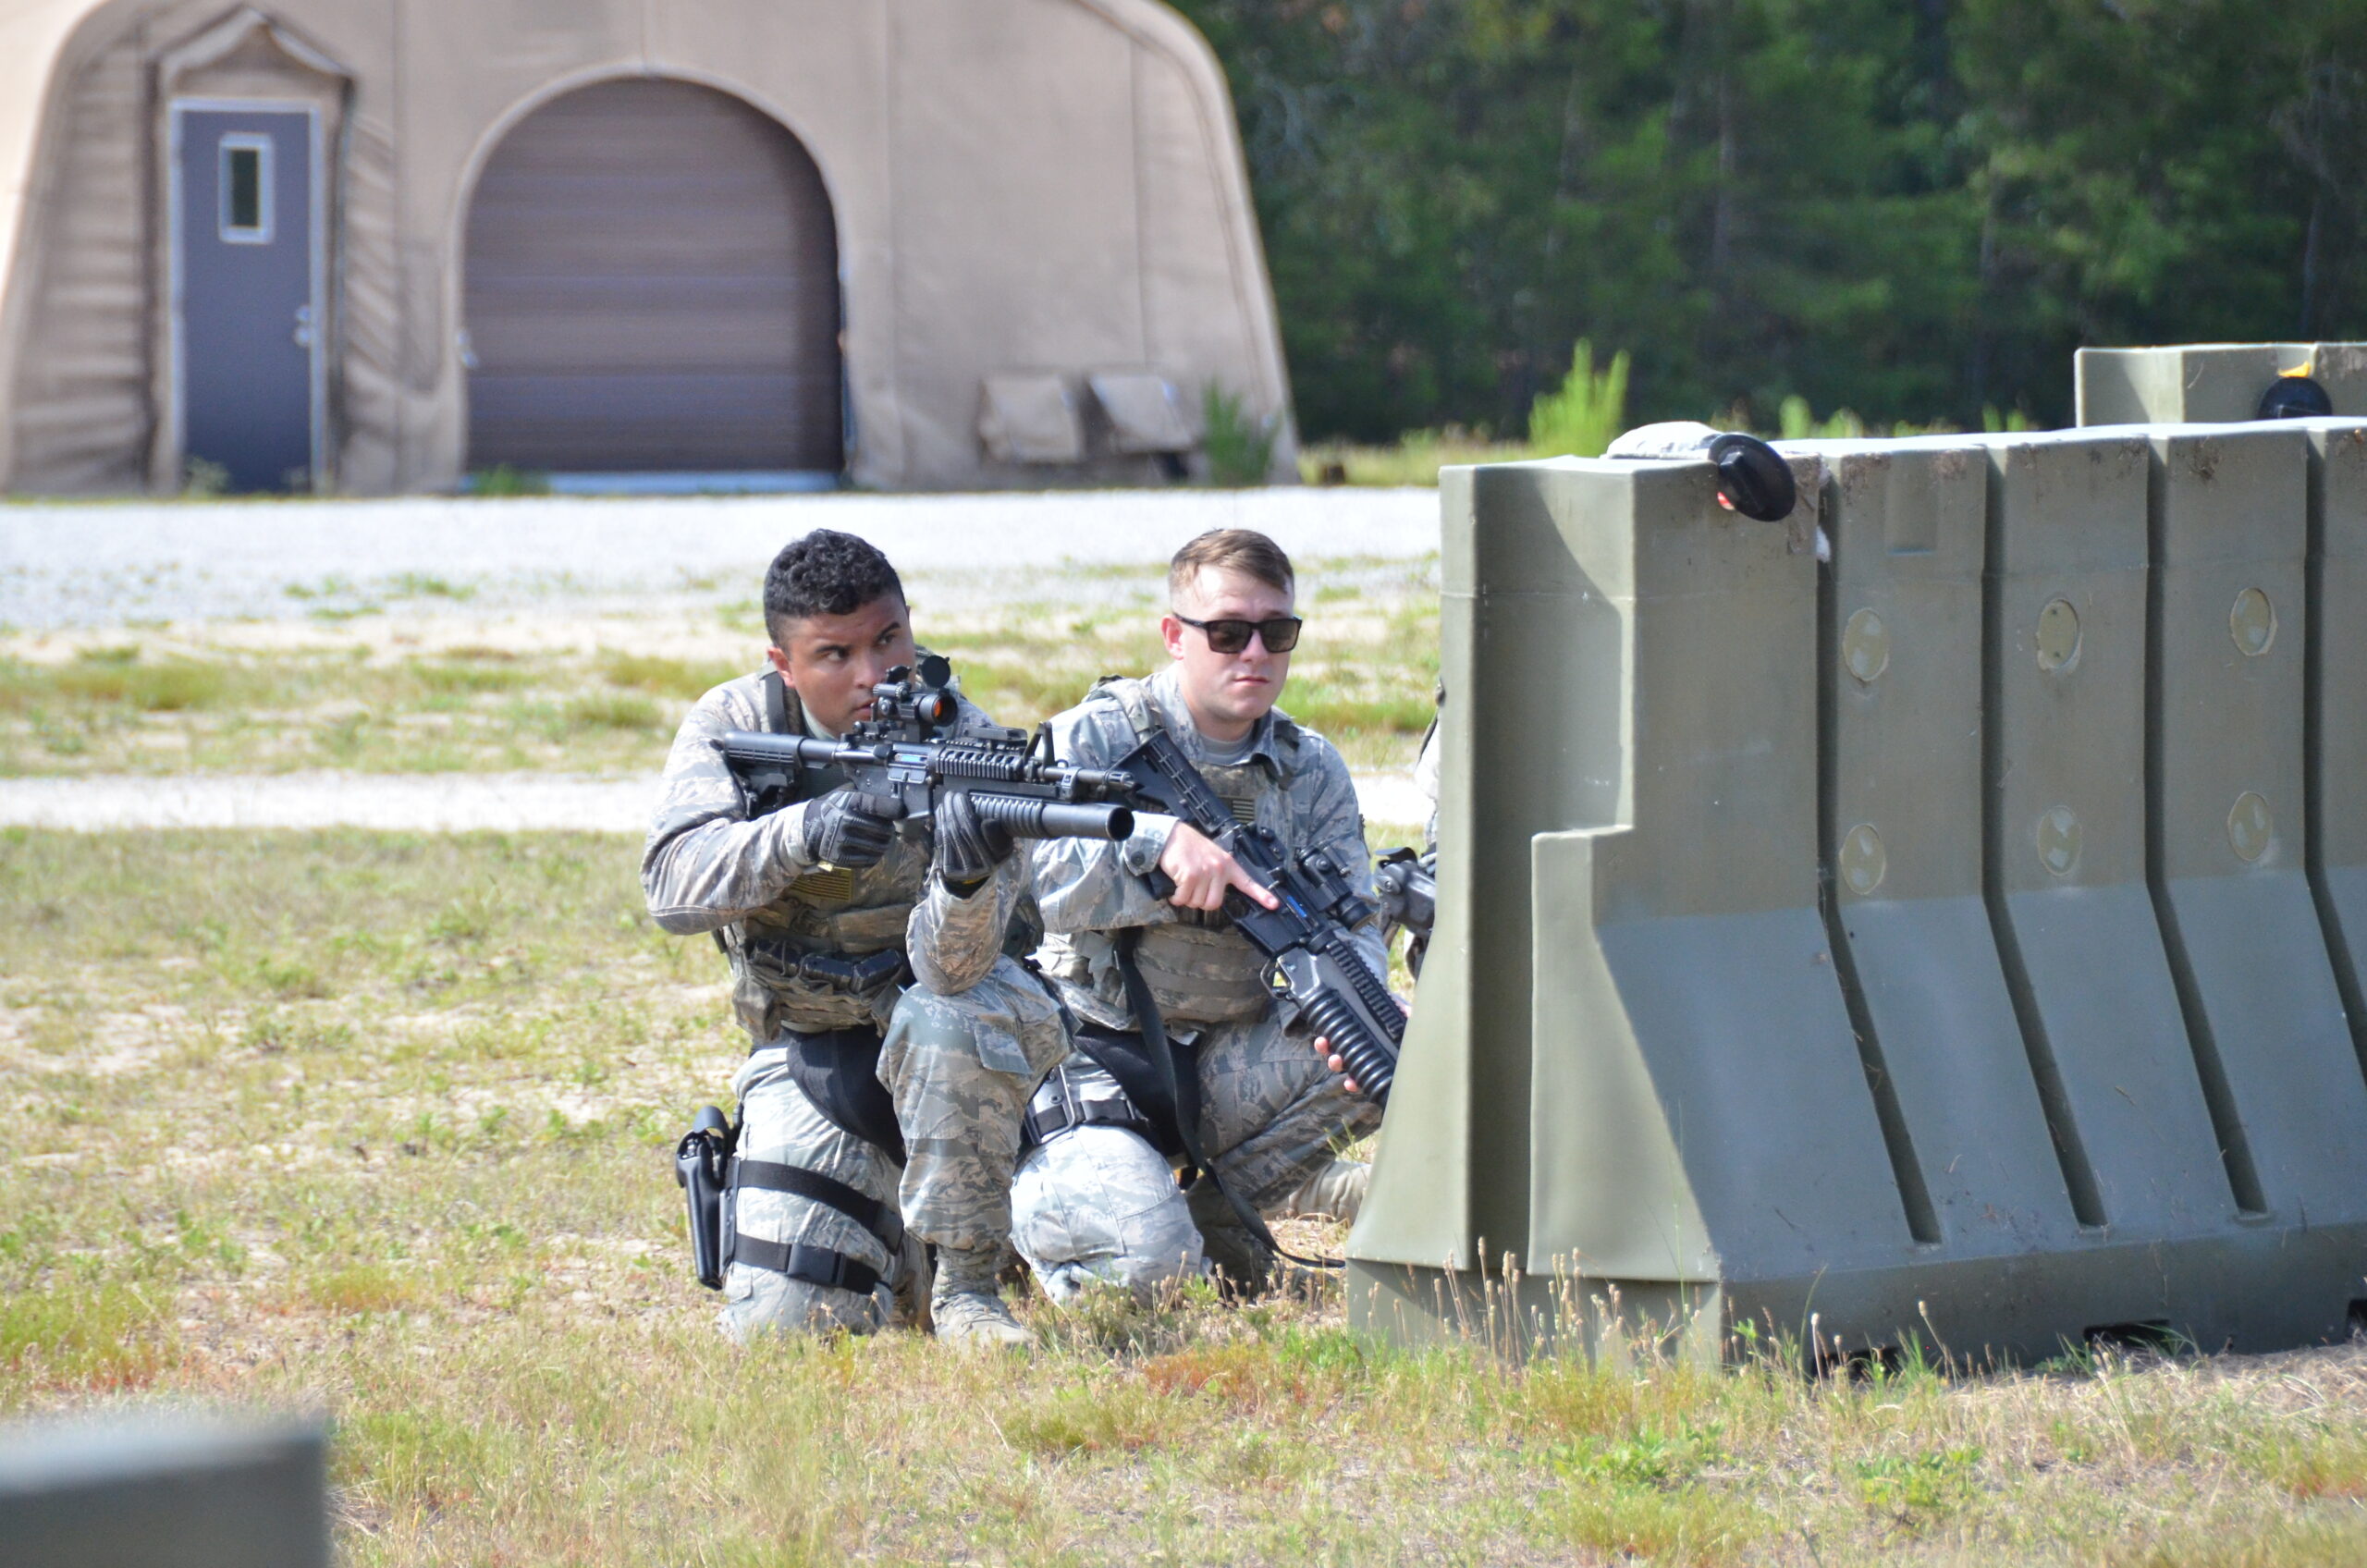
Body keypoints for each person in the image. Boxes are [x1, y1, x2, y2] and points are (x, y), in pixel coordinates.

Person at [643, 530, 1052, 1347]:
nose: (873, 676)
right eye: (835, 654)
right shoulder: (738, 720)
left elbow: (960, 971)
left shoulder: (960, 735)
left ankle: (968, 1287)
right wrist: (805, 833)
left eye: (888, 640)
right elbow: (673, 888)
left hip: (966, 1047)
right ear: (782, 664)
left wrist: (966, 881)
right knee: (780, 1334)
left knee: (950, 1020)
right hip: (814, 1049)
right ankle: (904, 1247)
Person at [1007, 528, 1388, 1301]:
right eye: (1227, 632)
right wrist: (1155, 850)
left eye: (1276, 633)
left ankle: (1218, 1213)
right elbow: (1029, 880)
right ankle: (1042, 1218)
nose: (1253, 652)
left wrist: (1361, 998)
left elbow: (1354, 920)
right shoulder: (1096, 738)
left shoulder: (1309, 767)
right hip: (1093, 1051)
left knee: (1397, 1048)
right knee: (1151, 1276)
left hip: (1231, 1056)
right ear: (1175, 637)